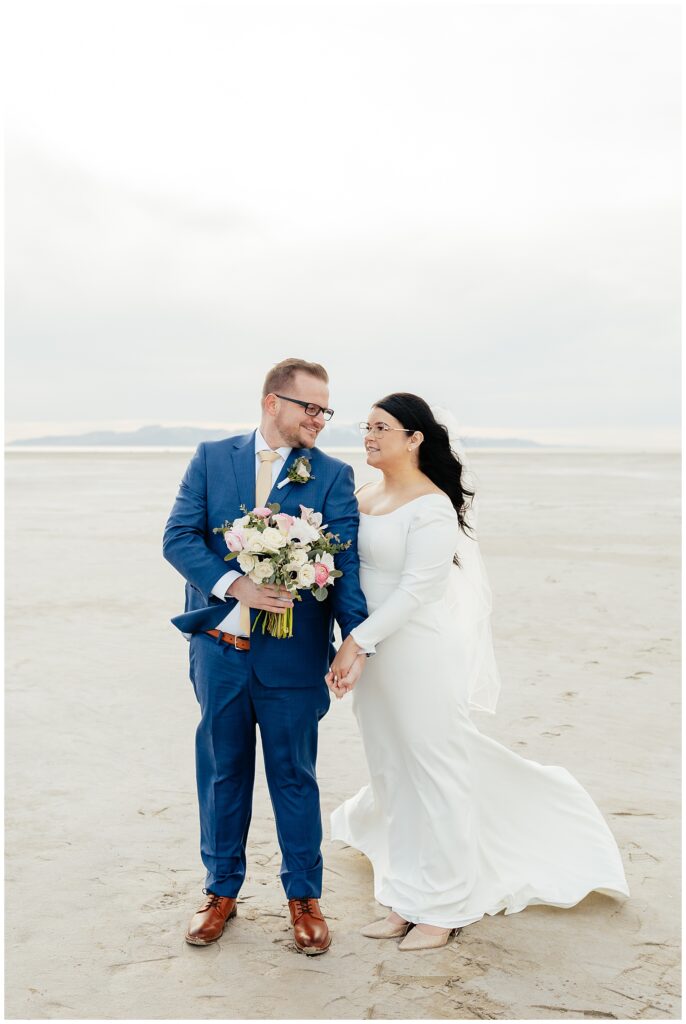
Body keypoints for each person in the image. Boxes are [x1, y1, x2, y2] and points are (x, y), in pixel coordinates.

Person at [327, 393, 630, 951]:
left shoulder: (432, 506)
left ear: (415, 438)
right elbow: (348, 574)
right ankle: (402, 898)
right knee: (390, 771)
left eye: (381, 427)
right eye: (365, 427)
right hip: (367, 653)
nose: (368, 436)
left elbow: (420, 589)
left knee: (435, 773)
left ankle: (444, 908)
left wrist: (358, 642)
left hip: (416, 652)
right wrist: (344, 642)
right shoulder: (365, 493)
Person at [163, 358, 370, 955]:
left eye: (326, 410)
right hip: (220, 651)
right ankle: (220, 891)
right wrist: (237, 588)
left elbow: (345, 567)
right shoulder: (211, 457)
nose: (321, 420)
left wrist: (354, 640)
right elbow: (177, 537)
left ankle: (304, 898)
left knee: (295, 777)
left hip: (294, 657)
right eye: (312, 408)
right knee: (223, 772)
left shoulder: (331, 476)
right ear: (272, 402)